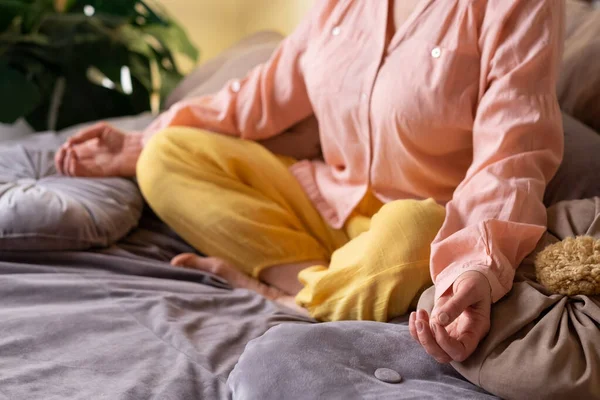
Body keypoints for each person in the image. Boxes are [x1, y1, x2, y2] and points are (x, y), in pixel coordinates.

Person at [55, 0, 565, 364]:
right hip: (323, 199)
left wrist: (477, 266)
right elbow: (257, 98)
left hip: (417, 225)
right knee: (168, 156)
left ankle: (284, 296)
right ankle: (316, 284)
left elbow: (514, 151)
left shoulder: (519, 6)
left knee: (408, 228)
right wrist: (141, 141)